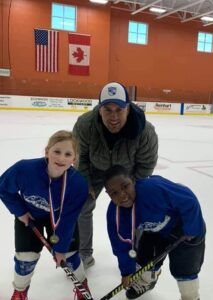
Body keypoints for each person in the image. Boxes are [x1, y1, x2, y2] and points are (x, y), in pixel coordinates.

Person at [0, 130, 91, 300]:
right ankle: (20, 290)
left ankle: (81, 285)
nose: (61, 158)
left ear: (74, 159)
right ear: (47, 152)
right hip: (30, 217)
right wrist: (20, 211)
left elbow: (68, 219)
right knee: (25, 258)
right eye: (57, 151)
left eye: (68, 154)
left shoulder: (77, 184)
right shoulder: (24, 169)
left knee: (69, 255)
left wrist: (60, 250)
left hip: (60, 220)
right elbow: (3, 188)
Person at [73, 82, 158, 268]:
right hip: (95, 169)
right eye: (107, 109)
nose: (113, 116)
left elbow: (146, 165)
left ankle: (137, 256)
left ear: (128, 108)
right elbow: (81, 158)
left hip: (127, 174)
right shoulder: (85, 125)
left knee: (134, 209)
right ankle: (84, 254)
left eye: (119, 109)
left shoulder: (144, 131)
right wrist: (86, 184)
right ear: (99, 108)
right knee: (81, 203)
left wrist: (128, 189)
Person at [104, 165, 206, 300]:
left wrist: (191, 228)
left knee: (184, 268)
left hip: (184, 227)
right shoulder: (115, 214)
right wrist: (127, 271)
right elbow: (121, 245)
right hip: (156, 230)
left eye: (125, 186)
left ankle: (190, 296)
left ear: (133, 180)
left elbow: (189, 200)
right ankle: (147, 281)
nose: (122, 195)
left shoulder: (153, 188)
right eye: (114, 193)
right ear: (108, 194)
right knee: (145, 257)